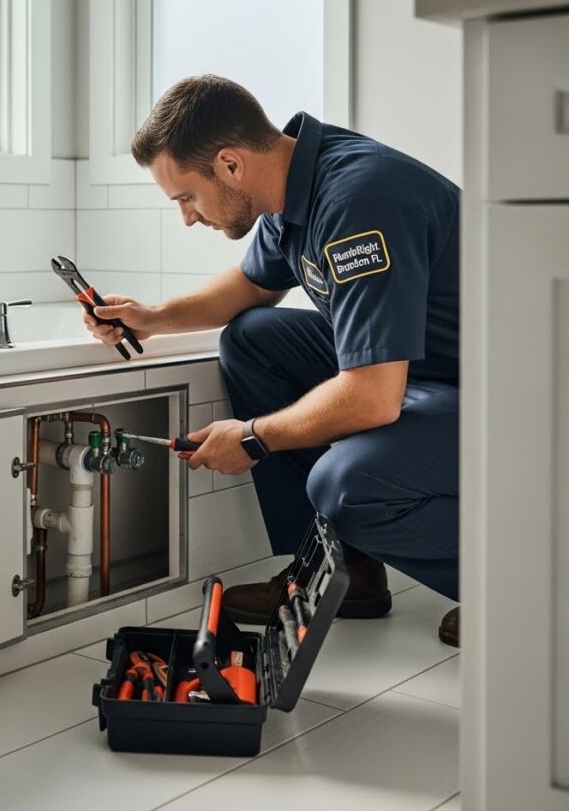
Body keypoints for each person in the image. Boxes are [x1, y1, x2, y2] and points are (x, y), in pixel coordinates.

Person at [83, 74, 460, 647]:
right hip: (425, 375)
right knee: (252, 337)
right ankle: (344, 571)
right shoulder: (293, 187)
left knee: (344, 483)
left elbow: (374, 396)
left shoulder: (360, 202)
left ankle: (522, 587)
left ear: (230, 165)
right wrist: (151, 317)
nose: (186, 216)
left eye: (186, 196)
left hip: (508, 401)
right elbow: (248, 288)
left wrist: (255, 438)